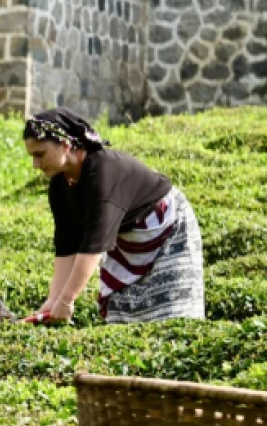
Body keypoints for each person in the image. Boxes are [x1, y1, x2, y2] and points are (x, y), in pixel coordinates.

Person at [21, 107, 204, 325]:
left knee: (173, 315)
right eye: (32, 156)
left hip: (167, 229)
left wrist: (67, 300)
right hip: (125, 239)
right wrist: (53, 301)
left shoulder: (102, 173)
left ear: (65, 145)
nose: (35, 164)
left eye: (39, 154)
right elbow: (67, 245)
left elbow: (93, 247)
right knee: (125, 318)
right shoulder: (59, 186)